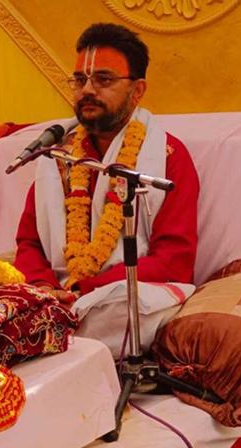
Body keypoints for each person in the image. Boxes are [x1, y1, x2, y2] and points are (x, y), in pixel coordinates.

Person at [14, 23, 199, 350]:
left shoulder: (167, 156)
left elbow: (174, 259)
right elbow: (29, 243)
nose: (87, 90)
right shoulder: (59, 156)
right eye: (80, 80)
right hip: (55, 294)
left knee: (125, 307)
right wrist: (43, 287)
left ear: (137, 90)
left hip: (119, 293)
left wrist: (86, 290)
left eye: (103, 79)